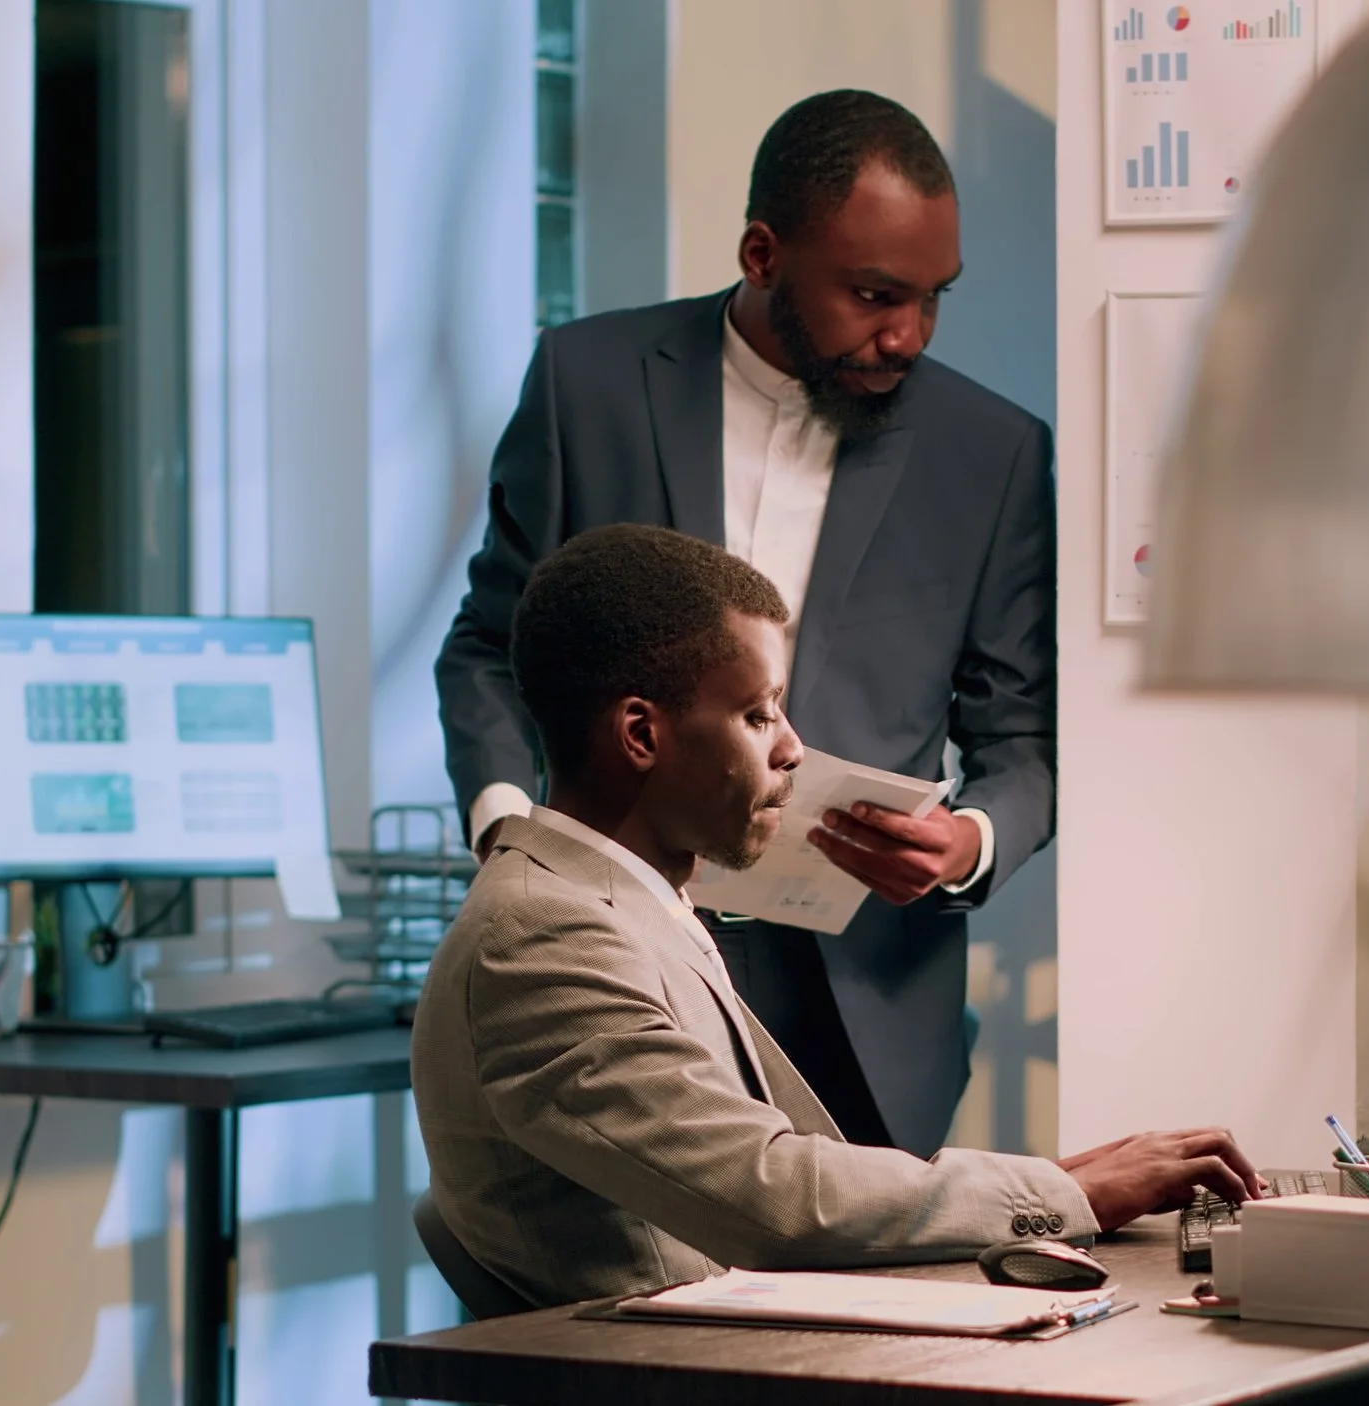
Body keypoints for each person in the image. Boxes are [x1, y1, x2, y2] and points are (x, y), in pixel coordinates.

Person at [412, 525, 1257, 1307]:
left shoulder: (616, 902)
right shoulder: (543, 936)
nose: (791, 748)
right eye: (757, 714)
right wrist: (1062, 1196)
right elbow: (775, 1199)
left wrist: (1054, 1183)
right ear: (641, 734)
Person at [436, 89, 1054, 1157]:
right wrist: (508, 834)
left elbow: (1023, 737)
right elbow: (490, 645)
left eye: (933, 299)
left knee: (873, 1321)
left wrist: (969, 841)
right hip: (612, 952)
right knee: (607, 1305)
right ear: (762, 252)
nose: (907, 334)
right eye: (873, 294)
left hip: (869, 1003)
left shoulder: (990, 452)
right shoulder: (583, 385)